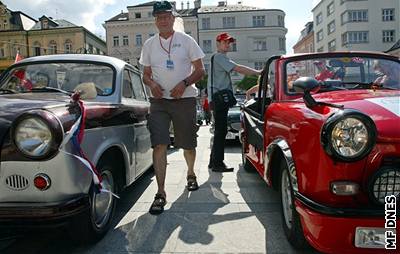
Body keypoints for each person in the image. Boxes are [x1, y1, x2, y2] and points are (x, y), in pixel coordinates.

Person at [139, 1, 205, 215]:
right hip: (158, 102)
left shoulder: (186, 40)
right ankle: (160, 193)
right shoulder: (149, 44)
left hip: (184, 100)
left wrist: (184, 83)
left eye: (166, 16)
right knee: (159, 144)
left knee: (187, 144)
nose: (163, 20)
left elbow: (200, 70)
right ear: (155, 20)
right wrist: (152, 85)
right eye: (159, 17)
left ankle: (191, 173)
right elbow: (145, 75)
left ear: (173, 18)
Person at [208, 32, 261, 172]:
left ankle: (213, 161)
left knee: (219, 131)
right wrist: (258, 72)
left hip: (217, 99)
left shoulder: (218, 57)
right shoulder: (219, 57)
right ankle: (218, 163)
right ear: (218, 44)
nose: (227, 44)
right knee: (221, 131)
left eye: (229, 42)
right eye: (225, 42)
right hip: (220, 99)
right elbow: (238, 68)